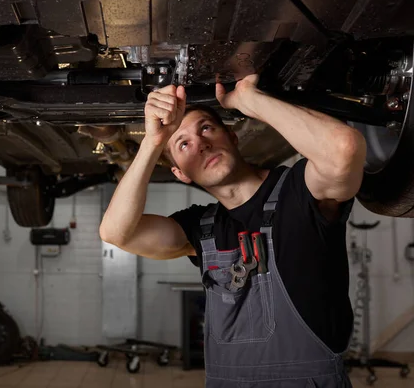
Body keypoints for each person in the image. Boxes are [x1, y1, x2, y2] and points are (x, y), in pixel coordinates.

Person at [99, 74, 366, 387]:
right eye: (183, 144)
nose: (201, 144)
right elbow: (116, 233)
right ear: (180, 173)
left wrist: (248, 100)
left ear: (233, 137)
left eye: (207, 128)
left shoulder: (299, 191)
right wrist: (153, 142)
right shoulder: (201, 228)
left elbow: (344, 149)